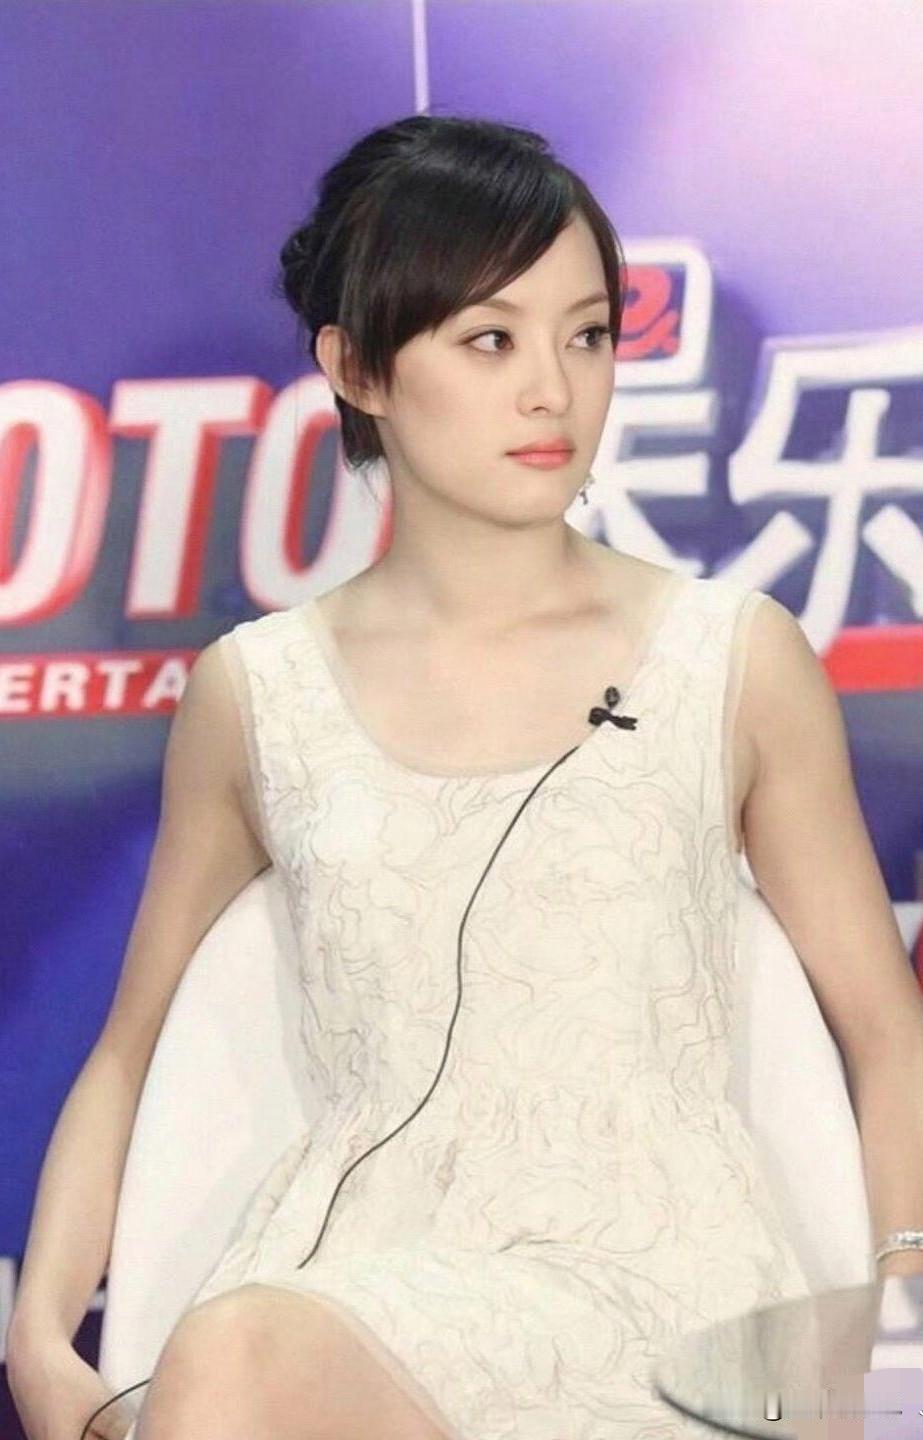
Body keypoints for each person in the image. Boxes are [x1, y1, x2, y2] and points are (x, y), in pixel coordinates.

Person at [9, 112, 920, 1440]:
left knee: (231, 1366)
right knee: (235, 1358)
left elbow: (886, 1027)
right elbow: (128, 1050)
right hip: (339, 1306)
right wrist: (41, 1342)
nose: (553, 390)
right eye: (491, 340)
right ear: (358, 367)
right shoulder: (258, 693)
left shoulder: (732, 659)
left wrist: (902, 1301)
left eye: (588, 335)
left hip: (663, 1302)